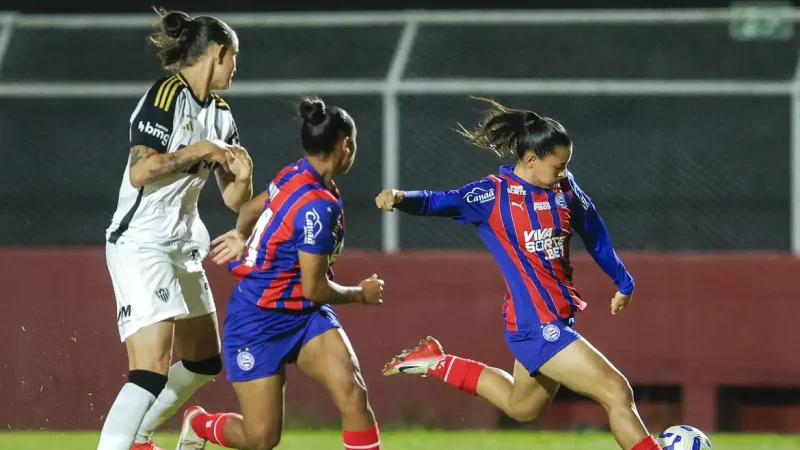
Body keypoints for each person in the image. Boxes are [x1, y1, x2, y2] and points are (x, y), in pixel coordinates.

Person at [375, 98, 661, 450]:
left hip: (553, 319)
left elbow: (593, 228)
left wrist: (622, 279)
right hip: (536, 324)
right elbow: (440, 201)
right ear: (530, 161)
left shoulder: (564, 187)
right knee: (617, 391)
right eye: (557, 167)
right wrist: (401, 197)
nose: (563, 174)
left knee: (521, 407)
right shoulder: (493, 194)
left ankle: (436, 361)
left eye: (566, 166)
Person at [175, 98, 384, 450]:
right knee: (261, 439)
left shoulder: (296, 172)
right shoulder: (318, 206)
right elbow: (315, 288)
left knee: (352, 394)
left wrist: (243, 235)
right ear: (345, 145)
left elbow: (253, 207)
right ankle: (199, 424)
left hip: (303, 315)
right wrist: (360, 295)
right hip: (259, 320)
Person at [99, 7, 253, 450]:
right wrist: (198, 149)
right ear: (218, 53)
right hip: (142, 243)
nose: (235, 68)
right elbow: (140, 171)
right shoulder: (166, 95)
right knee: (149, 372)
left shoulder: (222, 114)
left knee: (205, 361)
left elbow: (232, 202)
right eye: (234, 57)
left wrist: (242, 180)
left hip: (184, 243)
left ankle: (142, 435)